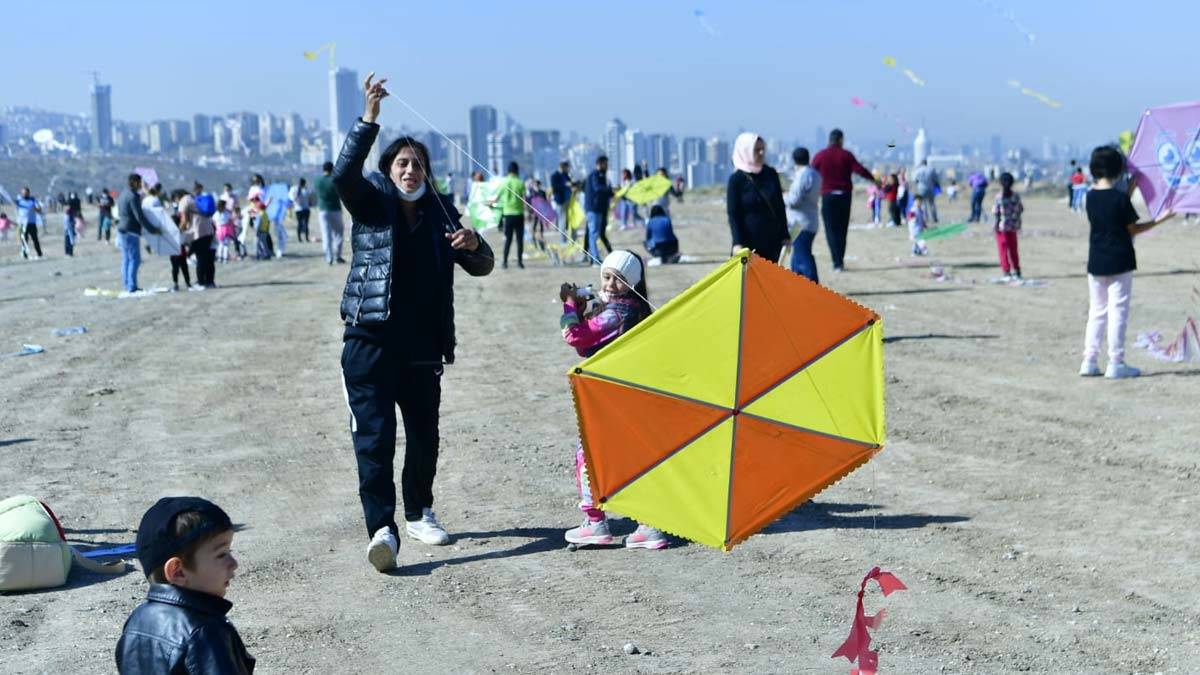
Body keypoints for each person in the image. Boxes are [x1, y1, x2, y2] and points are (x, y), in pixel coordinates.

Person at [336, 73, 494, 572]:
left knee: (424, 434)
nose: (411, 170)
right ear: (388, 169)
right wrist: (369, 119)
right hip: (369, 338)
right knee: (375, 437)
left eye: (419, 164)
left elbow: (482, 265)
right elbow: (343, 175)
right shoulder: (371, 203)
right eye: (403, 163)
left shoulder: (441, 210)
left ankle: (420, 512)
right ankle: (381, 529)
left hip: (423, 345)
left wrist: (476, 244)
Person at [559, 250, 665, 550]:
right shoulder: (624, 310)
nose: (610, 284)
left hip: (611, 401)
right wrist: (582, 311)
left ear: (631, 284)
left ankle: (596, 522)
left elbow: (575, 337)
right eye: (607, 277)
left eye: (619, 280)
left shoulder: (620, 312)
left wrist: (568, 306)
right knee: (633, 458)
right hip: (625, 398)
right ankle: (648, 524)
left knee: (589, 457)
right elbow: (588, 348)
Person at [116, 496, 254, 673]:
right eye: (221, 554)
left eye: (230, 551)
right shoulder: (205, 632)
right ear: (178, 571)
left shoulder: (138, 619)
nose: (233, 563)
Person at [1079, 146, 1175, 379]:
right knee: (1117, 311)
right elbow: (1133, 227)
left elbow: (1113, 206)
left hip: (1096, 262)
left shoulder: (1089, 197)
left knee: (1097, 312)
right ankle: (1116, 362)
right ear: (1119, 170)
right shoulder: (1120, 199)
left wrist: (1130, 187)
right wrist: (1160, 220)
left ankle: (1089, 361)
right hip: (1120, 260)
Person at [811, 129, 880, 272]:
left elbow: (811, 173)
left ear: (829, 140)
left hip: (828, 196)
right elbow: (860, 170)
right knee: (842, 230)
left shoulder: (820, 156)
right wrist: (874, 180)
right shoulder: (846, 155)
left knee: (831, 230)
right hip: (844, 197)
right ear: (841, 140)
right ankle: (839, 262)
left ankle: (836, 262)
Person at [726, 132, 789, 263]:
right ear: (745, 151)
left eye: (762, 149)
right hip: (747, 243)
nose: (761, 153)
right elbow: (734, 214)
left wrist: (785, 235)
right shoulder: (737, 179)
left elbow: (779, 206)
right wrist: (737, 242)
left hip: (772, 242)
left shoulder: (770, 174)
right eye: (756, 150)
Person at [784, 146, 822, 282]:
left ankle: (813, 285)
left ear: (794, 160)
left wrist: (781, 197)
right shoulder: (815, 174)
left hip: (800, 223)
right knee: (797, 257)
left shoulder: (803, 175)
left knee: (803, 255)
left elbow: (795, 200)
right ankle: (797, 285)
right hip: (809, 220)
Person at [118, 174, 160, 293]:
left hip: (122, 229)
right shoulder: (133, 196)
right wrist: (153, 230)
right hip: (130, 230)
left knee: (126, 258)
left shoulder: (123, 194)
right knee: (134, 259)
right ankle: (132, 286)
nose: (141, 185)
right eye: (140, 183)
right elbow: (139, 217)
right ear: (135, 182)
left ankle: (127, 284)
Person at [490, 161, 526, 269]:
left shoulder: (504, 183)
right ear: (517, 170)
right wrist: (530, 212)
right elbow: (524, 199)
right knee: (519, 240)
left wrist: (490, 204)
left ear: (508, 171)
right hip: (519, 214)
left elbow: (496, 198)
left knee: (508, 239)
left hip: (508, 215)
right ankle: (520, 263)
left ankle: (505, 262)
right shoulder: (520, 182)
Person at [182, 182, 217, 288]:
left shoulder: (188, 200)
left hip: (198, 232)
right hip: (209, 230)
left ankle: (201, 282)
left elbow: (184, 218)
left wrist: (182, 229)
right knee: (209, 258)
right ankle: (210, 281)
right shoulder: (205, 199)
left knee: (200, 257)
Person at [992, 172, 1024, 281]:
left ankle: (1006, 271)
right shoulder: (1015, 196)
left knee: (1003, 250)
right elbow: (1020, 209)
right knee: (1013, 249)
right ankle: (1017, 270)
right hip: (1013, 226)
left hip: (1002, 227)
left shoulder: (999, 197)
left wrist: (995, 225)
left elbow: (996, 212)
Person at [584, 155, 615, 260]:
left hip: (600, 209)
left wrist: (611, 192)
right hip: (593, 208)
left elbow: (604, 192)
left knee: (597, 233)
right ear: (600, 163)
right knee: (593, 233)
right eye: (606, 164)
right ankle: (595, 258)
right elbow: (597, 188)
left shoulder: (601, 175)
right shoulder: (595, 175)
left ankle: (594, 256)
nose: (607, 166)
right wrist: (608, 188)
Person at [315, 161, 345, 265]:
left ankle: (329, 257)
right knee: (338, 233)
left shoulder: (317, 180)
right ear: (332, 169)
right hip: (335, 209)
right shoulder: (335, 180)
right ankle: (338, 255)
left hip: (323, 209)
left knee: (326, 234)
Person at [165, 188, 194, 291]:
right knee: (180, 269)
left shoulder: (175, 233)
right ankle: (183, 283)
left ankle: (180, 283)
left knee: (179, 269)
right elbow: (186, 241)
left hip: (176, 254)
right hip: (179, 253)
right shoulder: (178, 232)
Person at [15, 187, 43, 259]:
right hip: (23, 224)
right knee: (24, 239)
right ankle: (25, 254)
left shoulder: (33, 200)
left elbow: (39, 210)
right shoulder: (19, 201)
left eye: (26, 193)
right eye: (23, 193)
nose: (25, 194)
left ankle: (39, 254)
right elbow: (15, 207)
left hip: (32, 223)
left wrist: (35, 209)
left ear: (29, 193)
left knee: (35, 239)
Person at [220, 183, 244, 259]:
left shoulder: (234, 197)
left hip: (234, 218)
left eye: (228, 189)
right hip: (226, 219)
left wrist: (238, 215)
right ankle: (225, 254)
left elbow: (237, 207)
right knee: (226, 238)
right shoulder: (222, 197)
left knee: (235, 237)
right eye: (226, 189)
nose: (227, 191)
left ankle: (238, 252)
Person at [550, 161, 572, 243]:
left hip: (568, 200)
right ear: (562, 167)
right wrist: (565, 185)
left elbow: (570, 183)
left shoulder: (566, 175)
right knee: (562, 220)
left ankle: (568, 239)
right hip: (560, 201)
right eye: (566, 168)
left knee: (567, 221)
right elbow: (555, 187)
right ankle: (563, 240)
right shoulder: (554, 176)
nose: (567, 169)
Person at [912, 159, 940, 224]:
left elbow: (915, 179)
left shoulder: (918, 170)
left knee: (923, 204)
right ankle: (934, 218)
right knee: (932, 204)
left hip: (921, 188)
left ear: (921, 163)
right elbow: (935, 179)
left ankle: (925, 218)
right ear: (926, 163)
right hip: (930, 188)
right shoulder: (931, 169)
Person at [289, 178, 312, 243]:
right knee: (305, 224)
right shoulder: (302, 190)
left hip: (300, 209)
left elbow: (292, 198)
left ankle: (301, 238)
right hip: (303, 209)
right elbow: (310, 198)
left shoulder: (296, 189)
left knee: (301, 224)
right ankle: (305, 238)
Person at [215, 199, 237, 264]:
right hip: (226, 229)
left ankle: (219, 257)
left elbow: (214, 221)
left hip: (218, 230)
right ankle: (225, 258)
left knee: (220, 244)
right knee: (226, 245)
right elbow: (230, 220)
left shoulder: (216, 213)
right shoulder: (226, 213)